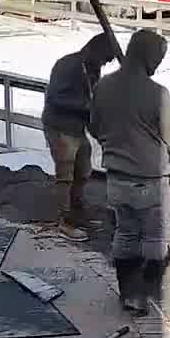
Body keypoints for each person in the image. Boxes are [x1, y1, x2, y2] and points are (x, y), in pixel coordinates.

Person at [90, 29, 170, 315]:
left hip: (116, 178)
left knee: (125, 233)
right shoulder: (158, 94)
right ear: (150, 57)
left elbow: (94, 126)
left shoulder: (103, 86)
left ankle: (127, 291)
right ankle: (144, 294)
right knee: (154, 239)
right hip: (150, 181)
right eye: (158, 57)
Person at [41, 32, 119, 241]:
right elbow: (56, 98)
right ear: (95, 51)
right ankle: (64, 221)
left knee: (83, 170)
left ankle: (76, 212)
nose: (104, 64)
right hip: (59, 126)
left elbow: (91, 99)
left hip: (76, 127)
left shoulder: (93, 69)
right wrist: (87, 107)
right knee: (65, 175)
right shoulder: (67, 66)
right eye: (104, 59)